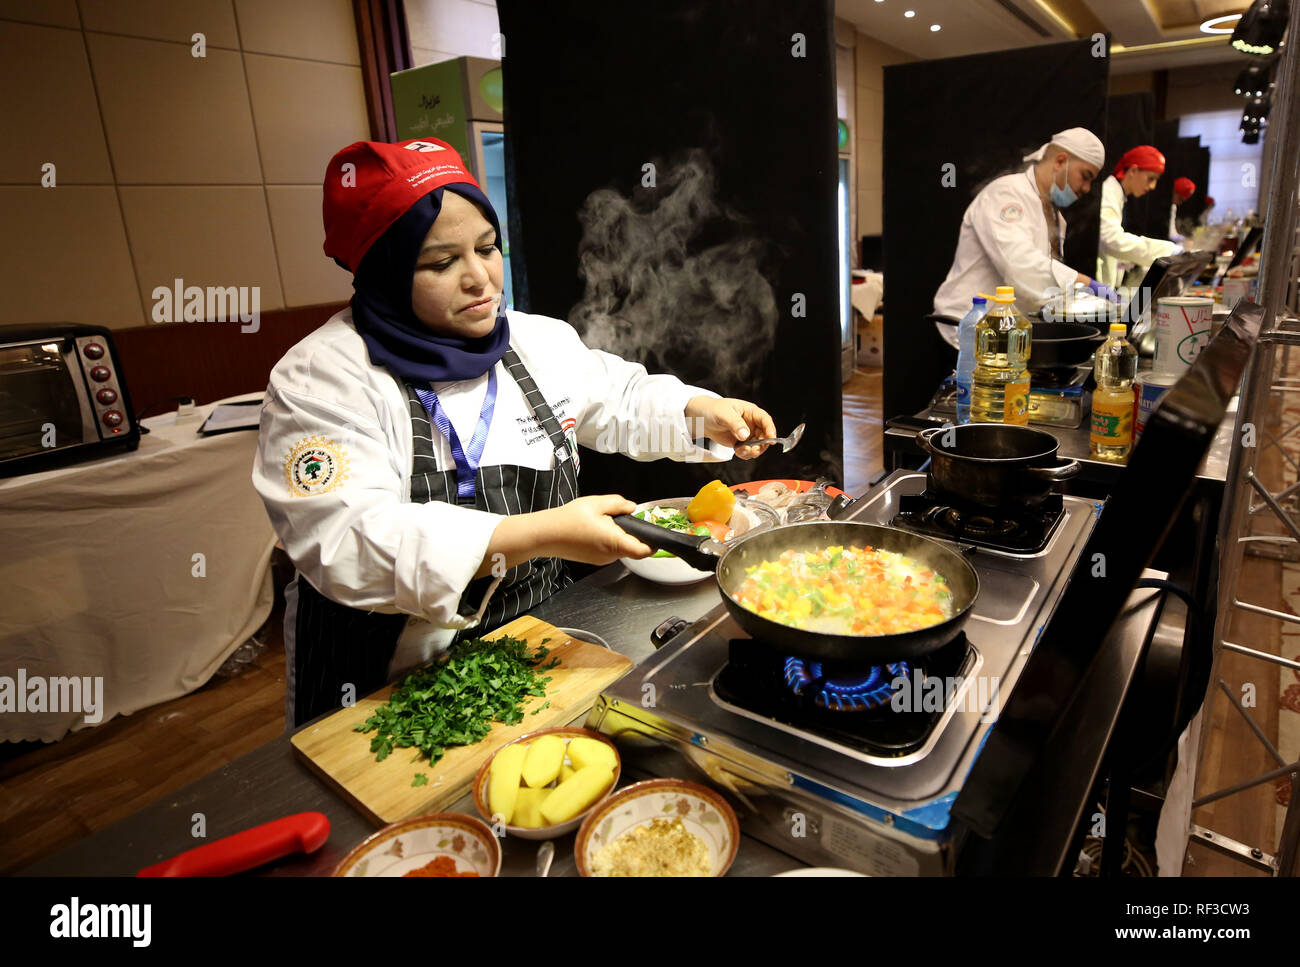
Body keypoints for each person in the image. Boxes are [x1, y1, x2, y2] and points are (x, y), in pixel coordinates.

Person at [252, 137, 778, 726]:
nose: (480, 278)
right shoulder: (322, 378)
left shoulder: (533, 340)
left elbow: (620, 398)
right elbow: (347, 540)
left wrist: (700, 410)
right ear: (383, 273)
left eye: (487, 247)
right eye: (441, 262)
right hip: (388, 677)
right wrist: (540, 532)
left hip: (532, 647)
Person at [932, 127, 1107, 345]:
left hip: (1004, 333)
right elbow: (1021, 266)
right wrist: (1087, 284)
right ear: (1060, 161)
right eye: (1085, 176)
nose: (1087, 188)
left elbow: (1040, 288)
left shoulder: (1054, 216)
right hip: (967, 327)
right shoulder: (1007, 195)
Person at [1096, 145, 1179, 288]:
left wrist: (1128, 260)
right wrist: (1168, 251)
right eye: (1151, 178)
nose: (1153, 186)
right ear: (1133, 170)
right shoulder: (1109, 192)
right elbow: (1111, 240)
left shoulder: (1118, 194)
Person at [1169, 176, 1196, 242]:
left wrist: (1186, 240)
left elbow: (1172, 233)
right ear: (1174, 191)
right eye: (1180, 199)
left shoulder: (1173, 206)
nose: (1180, 203)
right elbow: (1170, 234)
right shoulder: (1169, 206)